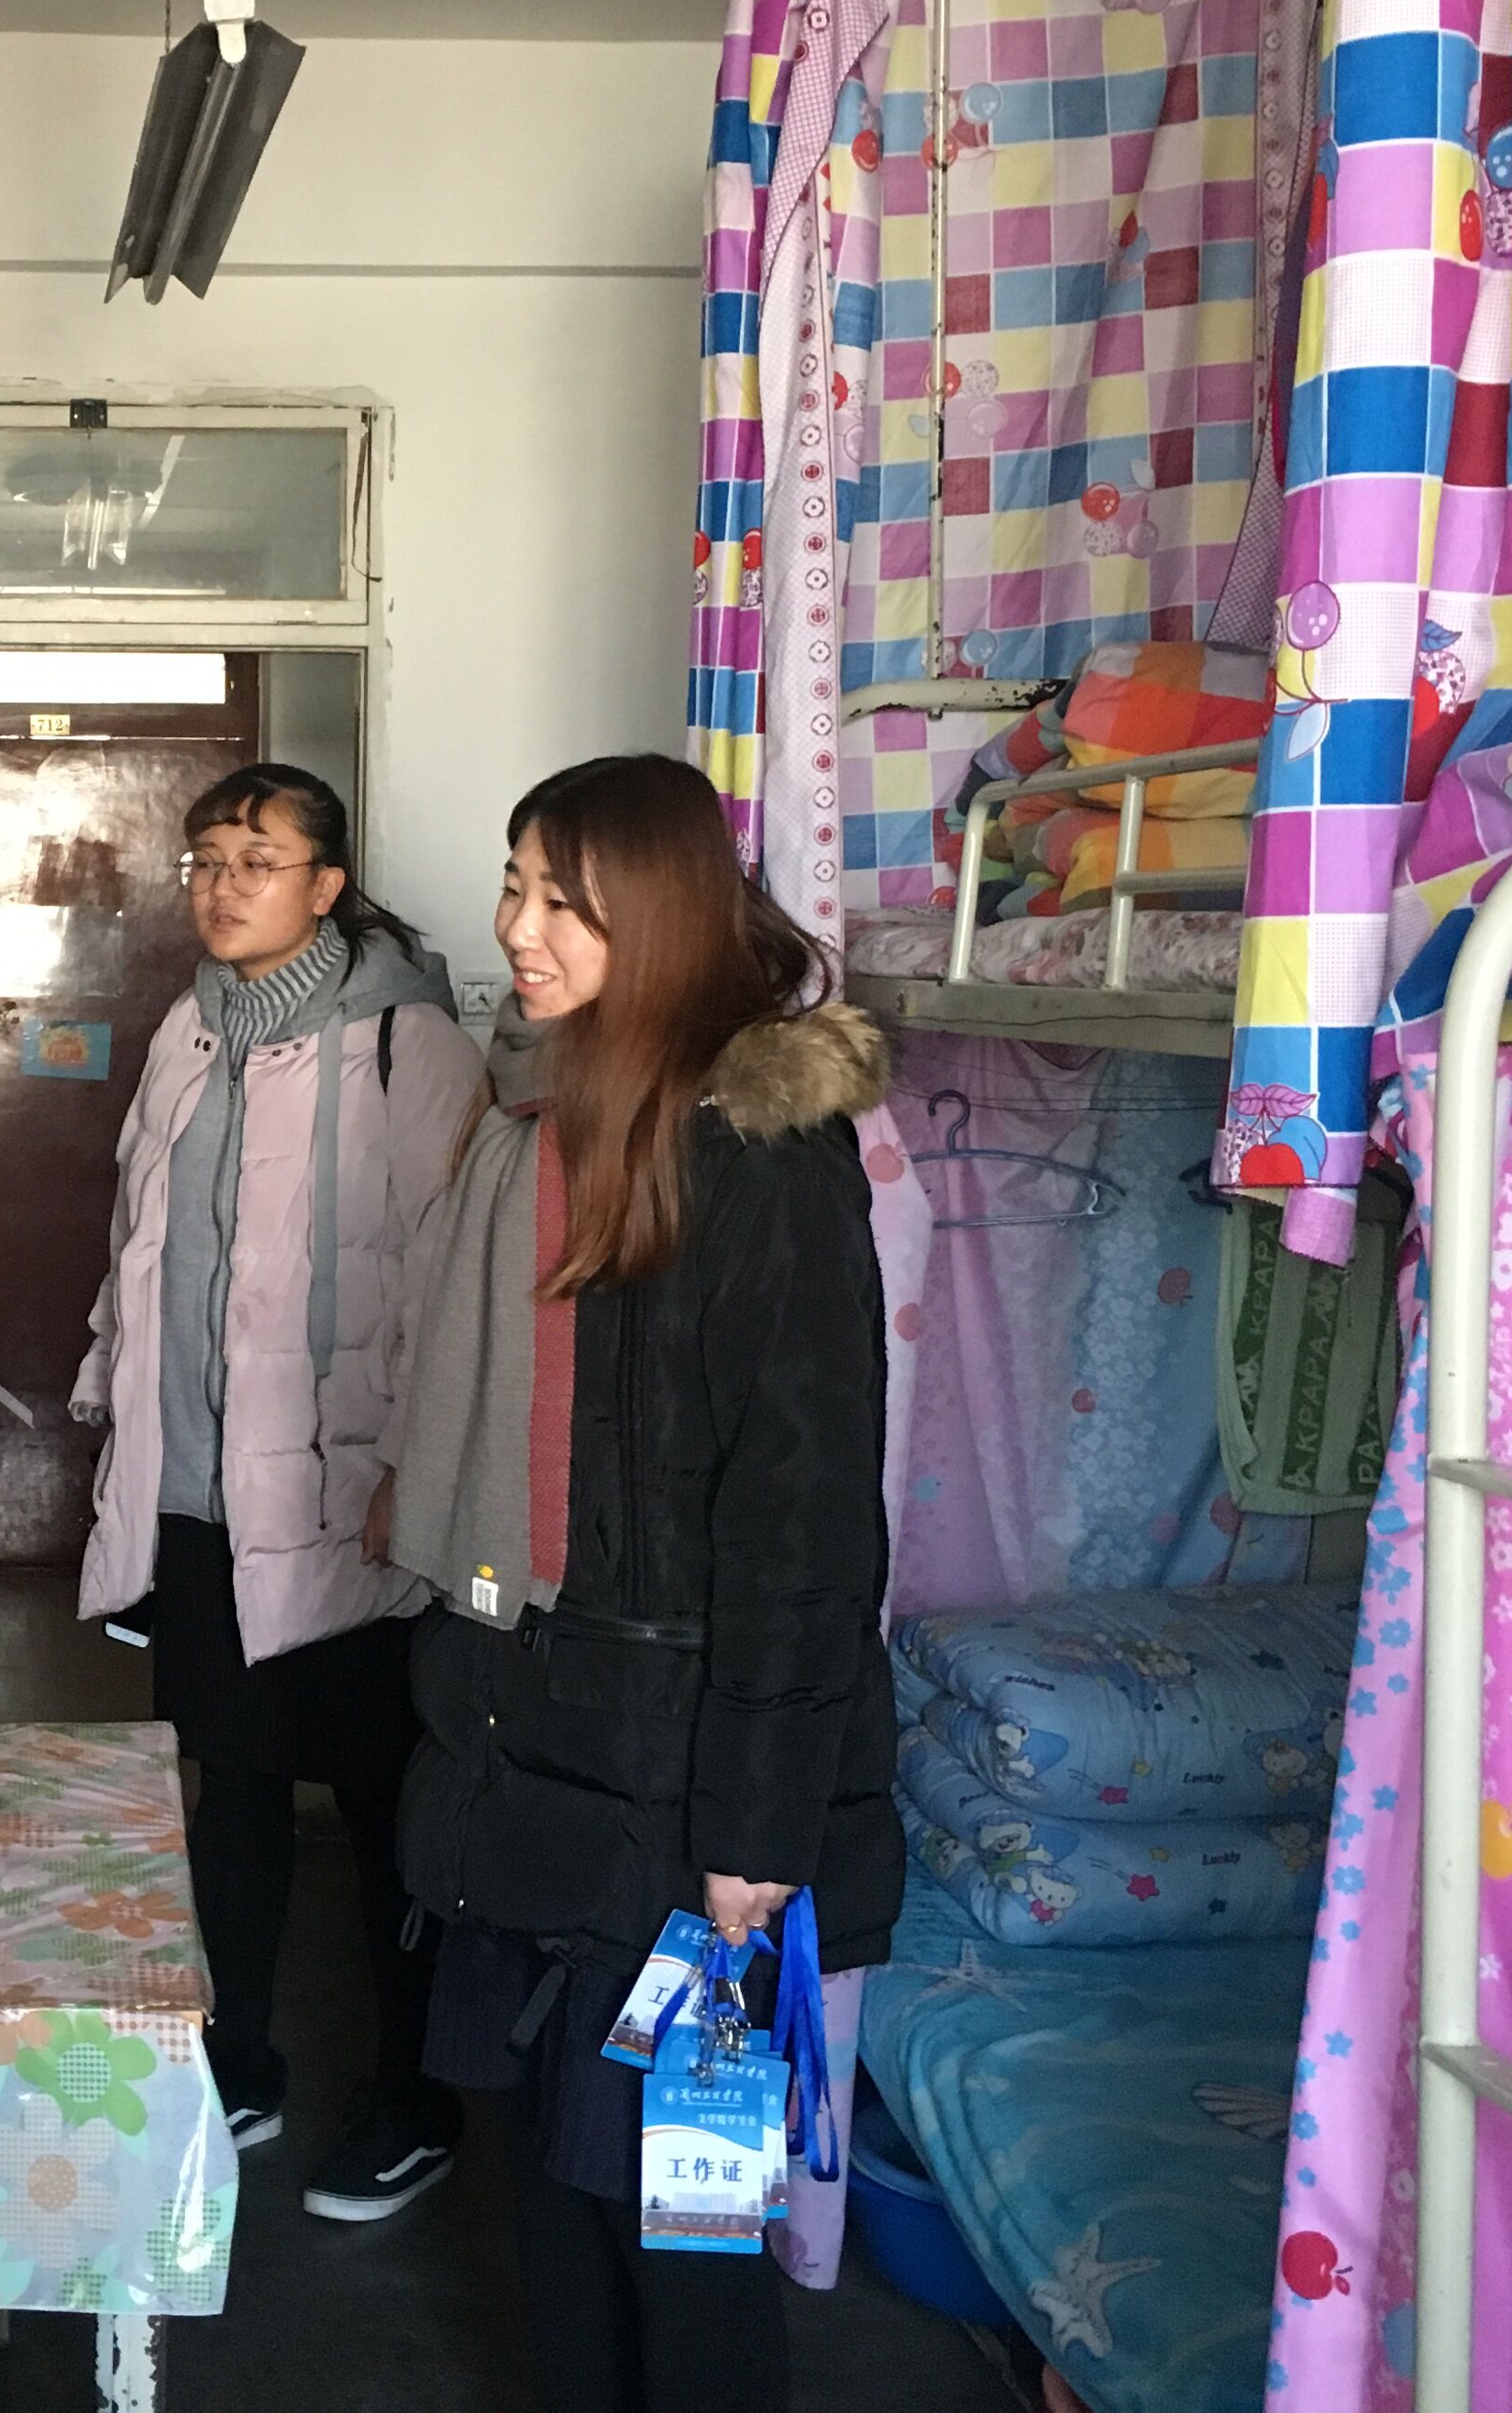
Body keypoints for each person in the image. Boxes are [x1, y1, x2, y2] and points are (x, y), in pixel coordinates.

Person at [390, 753, 901, 2413]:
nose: (516, 927)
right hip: (536, 1749)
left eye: (565, 900)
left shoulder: (761, 1159)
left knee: (683, 2220)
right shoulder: (549, 1121)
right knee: (550, 2186)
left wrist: (756, 1836)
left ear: (662, 919)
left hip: (689, 1804)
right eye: (515, 884)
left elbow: (803, 1532)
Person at [72, 762, 486, 2223]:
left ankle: (414, 2097)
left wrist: (419, 1481)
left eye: (260, 859)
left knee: (386, 1815)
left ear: (328, 886)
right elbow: (139, 1244)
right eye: (206, 858)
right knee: (232, 1791)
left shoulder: (410, 1045)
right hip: (202, 1498)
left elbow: (456, 1286)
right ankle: (234, 2060)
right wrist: (113, 1407)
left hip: (355, 1503)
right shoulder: (186, 1029)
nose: (223, 884)